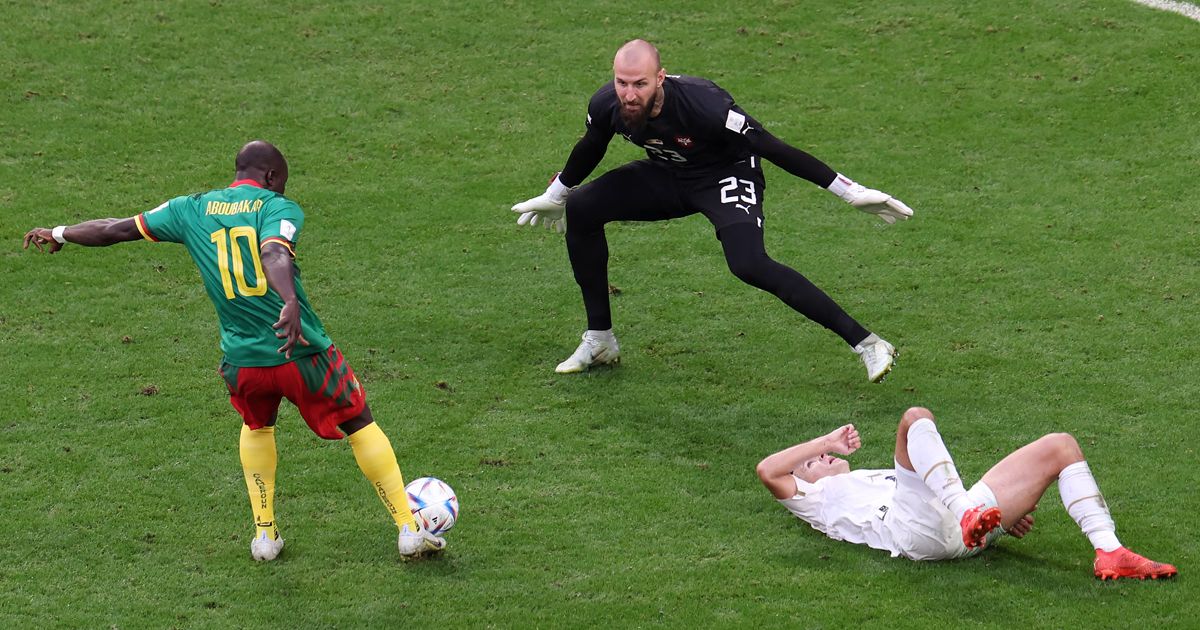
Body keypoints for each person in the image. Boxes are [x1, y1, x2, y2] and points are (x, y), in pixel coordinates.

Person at [22, 140, 445, 561]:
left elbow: (116, 228)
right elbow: (275, 253)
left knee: (258, 427)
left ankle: (264, 536)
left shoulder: (190, 208)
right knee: (359, 422)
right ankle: (409, 529)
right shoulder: (276, 208)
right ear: (273, 177)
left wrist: (59, 232)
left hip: (243, 361)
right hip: (300, 351)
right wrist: (289, 300)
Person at [511, 39, 913, 382]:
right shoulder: (608, 104)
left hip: (725, 175)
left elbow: (772, 147)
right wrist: (558, 192)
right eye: (621, 83)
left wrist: (849, 192)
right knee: (582, 207)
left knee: (748, 263)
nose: (629, 94)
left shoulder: (707, 106)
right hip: (669, 173)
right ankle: (600, 341)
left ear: (660, 79)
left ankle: (868, 343)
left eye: (639, 84)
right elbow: (593, 144)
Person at [756, 406, 1178, 580]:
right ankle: (968, 513)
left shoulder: (872, 476)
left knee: (1060, 445)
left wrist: (999, 525)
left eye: (818, 458)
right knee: (914, 417)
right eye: (810, 466)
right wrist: (824, 443)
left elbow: (929, 493)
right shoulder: (814, 499)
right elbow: (767, 469)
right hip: (911, 534)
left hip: (956, 531)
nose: (821, 463)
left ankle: (1111, 551)